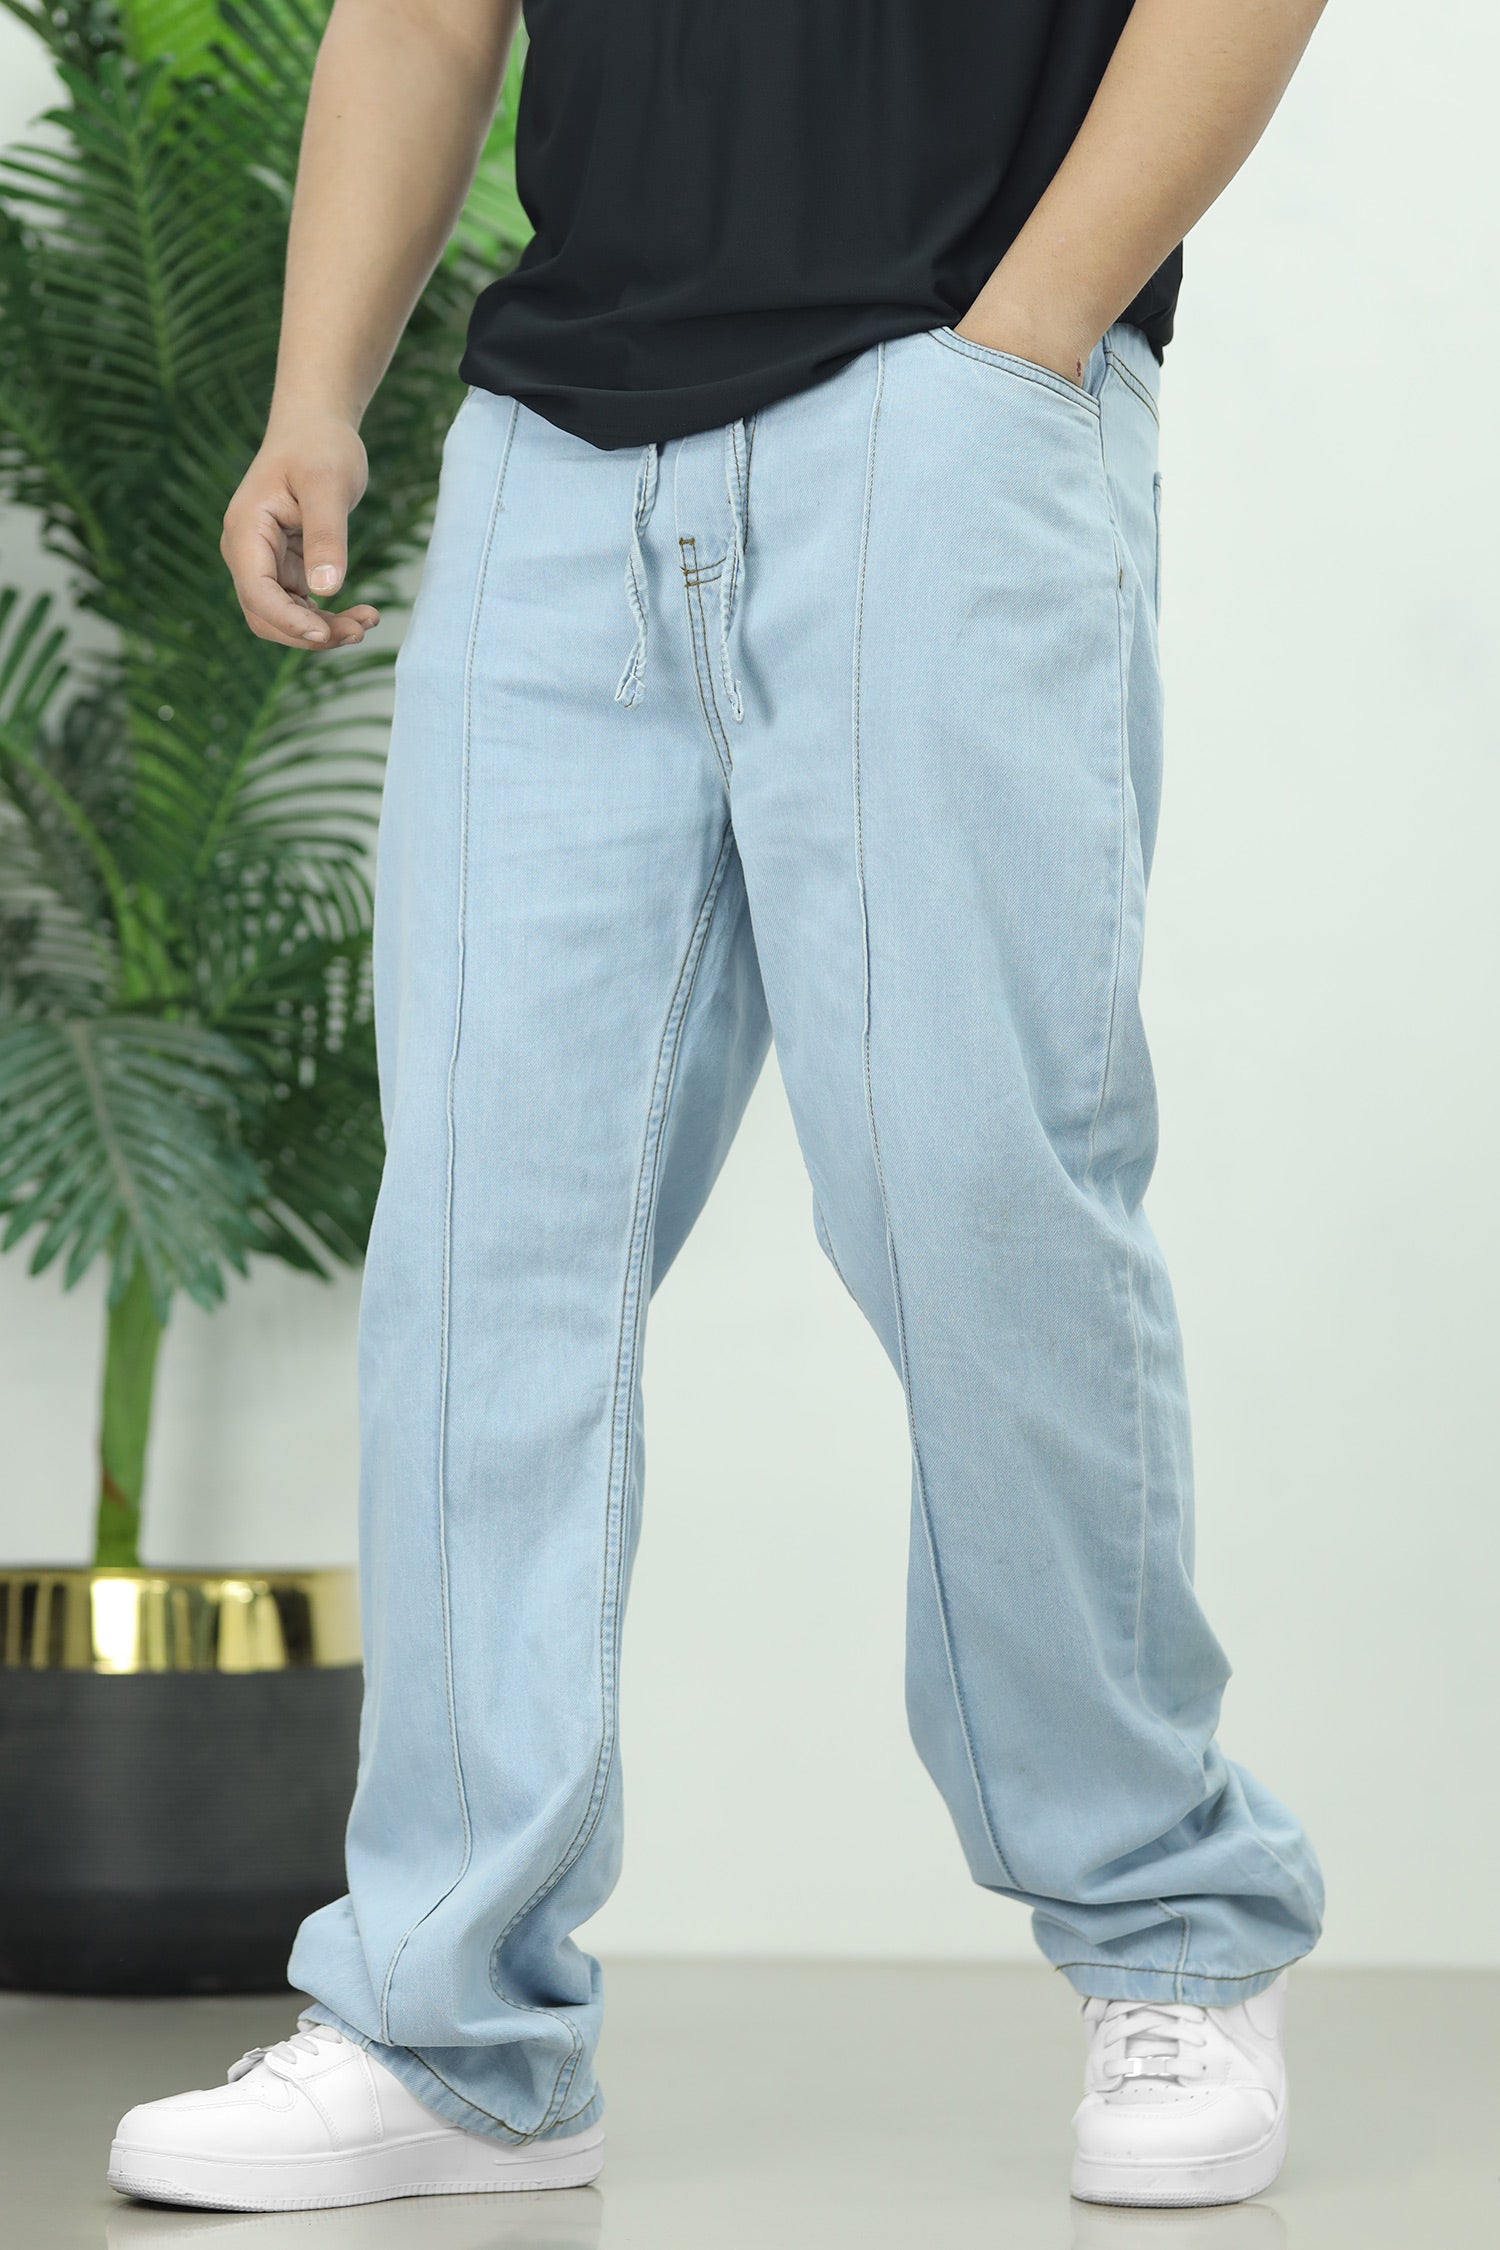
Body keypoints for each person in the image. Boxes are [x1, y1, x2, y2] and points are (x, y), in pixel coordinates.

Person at [108, 0, 1329, 2215]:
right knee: (480, 1250)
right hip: (555, 446)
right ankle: (448, 2024)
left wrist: (1030, 334)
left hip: (943, 391)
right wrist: (316, 395)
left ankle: (1171, 1923)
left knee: (978, 1202)